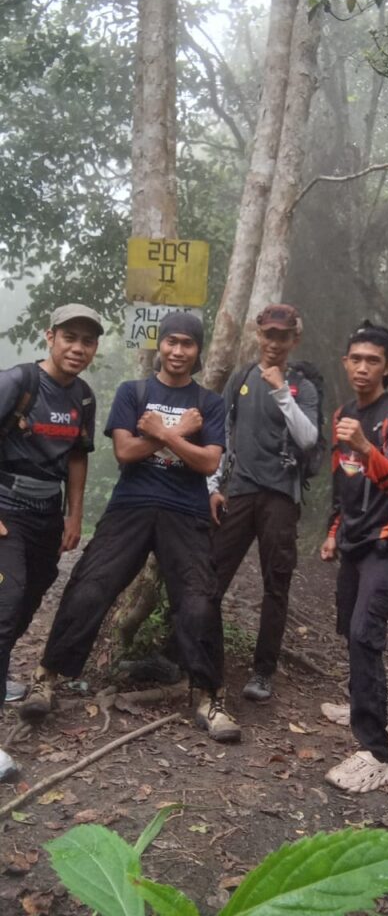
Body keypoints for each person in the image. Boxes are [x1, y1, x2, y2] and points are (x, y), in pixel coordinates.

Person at [20, 313, 241, 744]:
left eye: (188, 344)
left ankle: (209, 698)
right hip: (131, 506)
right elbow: (125, 451)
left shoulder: (210, 403)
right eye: (172, 342)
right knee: (90, 586)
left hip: (186, 511)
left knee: (198, 601)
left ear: (198, 350)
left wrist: (163, 433)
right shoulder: (133, 392)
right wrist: (180, 432)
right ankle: (45, 678)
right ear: (161, 344)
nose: (178, 351)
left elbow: (209, 461)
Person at [0, 303, 102, 778]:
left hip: (46, 514)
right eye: (70, 337)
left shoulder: (83, 397)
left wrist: (74, 515)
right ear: (50, 336)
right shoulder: (19, 382)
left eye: (88, 341)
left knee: (30, 596)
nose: (78, 348)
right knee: (7, 602)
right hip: (7, 509)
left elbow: (78, 456)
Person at [320, 320, 388, 794]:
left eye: (372, 360)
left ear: (387, 367)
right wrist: (333, 532)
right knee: (349, 626)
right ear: (345, 362)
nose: (362, 367)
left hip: (387, 542)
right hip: (354, 541)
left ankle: (376, 753)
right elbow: (344, 483)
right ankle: (359, 700)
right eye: (356, 358)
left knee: (365, 633)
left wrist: (364, 444)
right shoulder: (344, 413)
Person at [209, 304, 318, 703]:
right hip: (239, 491)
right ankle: (202, 658)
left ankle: (263, 671)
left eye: (282, 336)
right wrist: (213, 486)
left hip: (281, 497)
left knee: (276, 584)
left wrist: (280, 390)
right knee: (211, 577)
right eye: (269, 334)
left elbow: (308, 439)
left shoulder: (303, 387)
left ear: (294, 339)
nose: (274, 343)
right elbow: (222, 434)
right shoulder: (240, 378)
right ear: (258, 335)